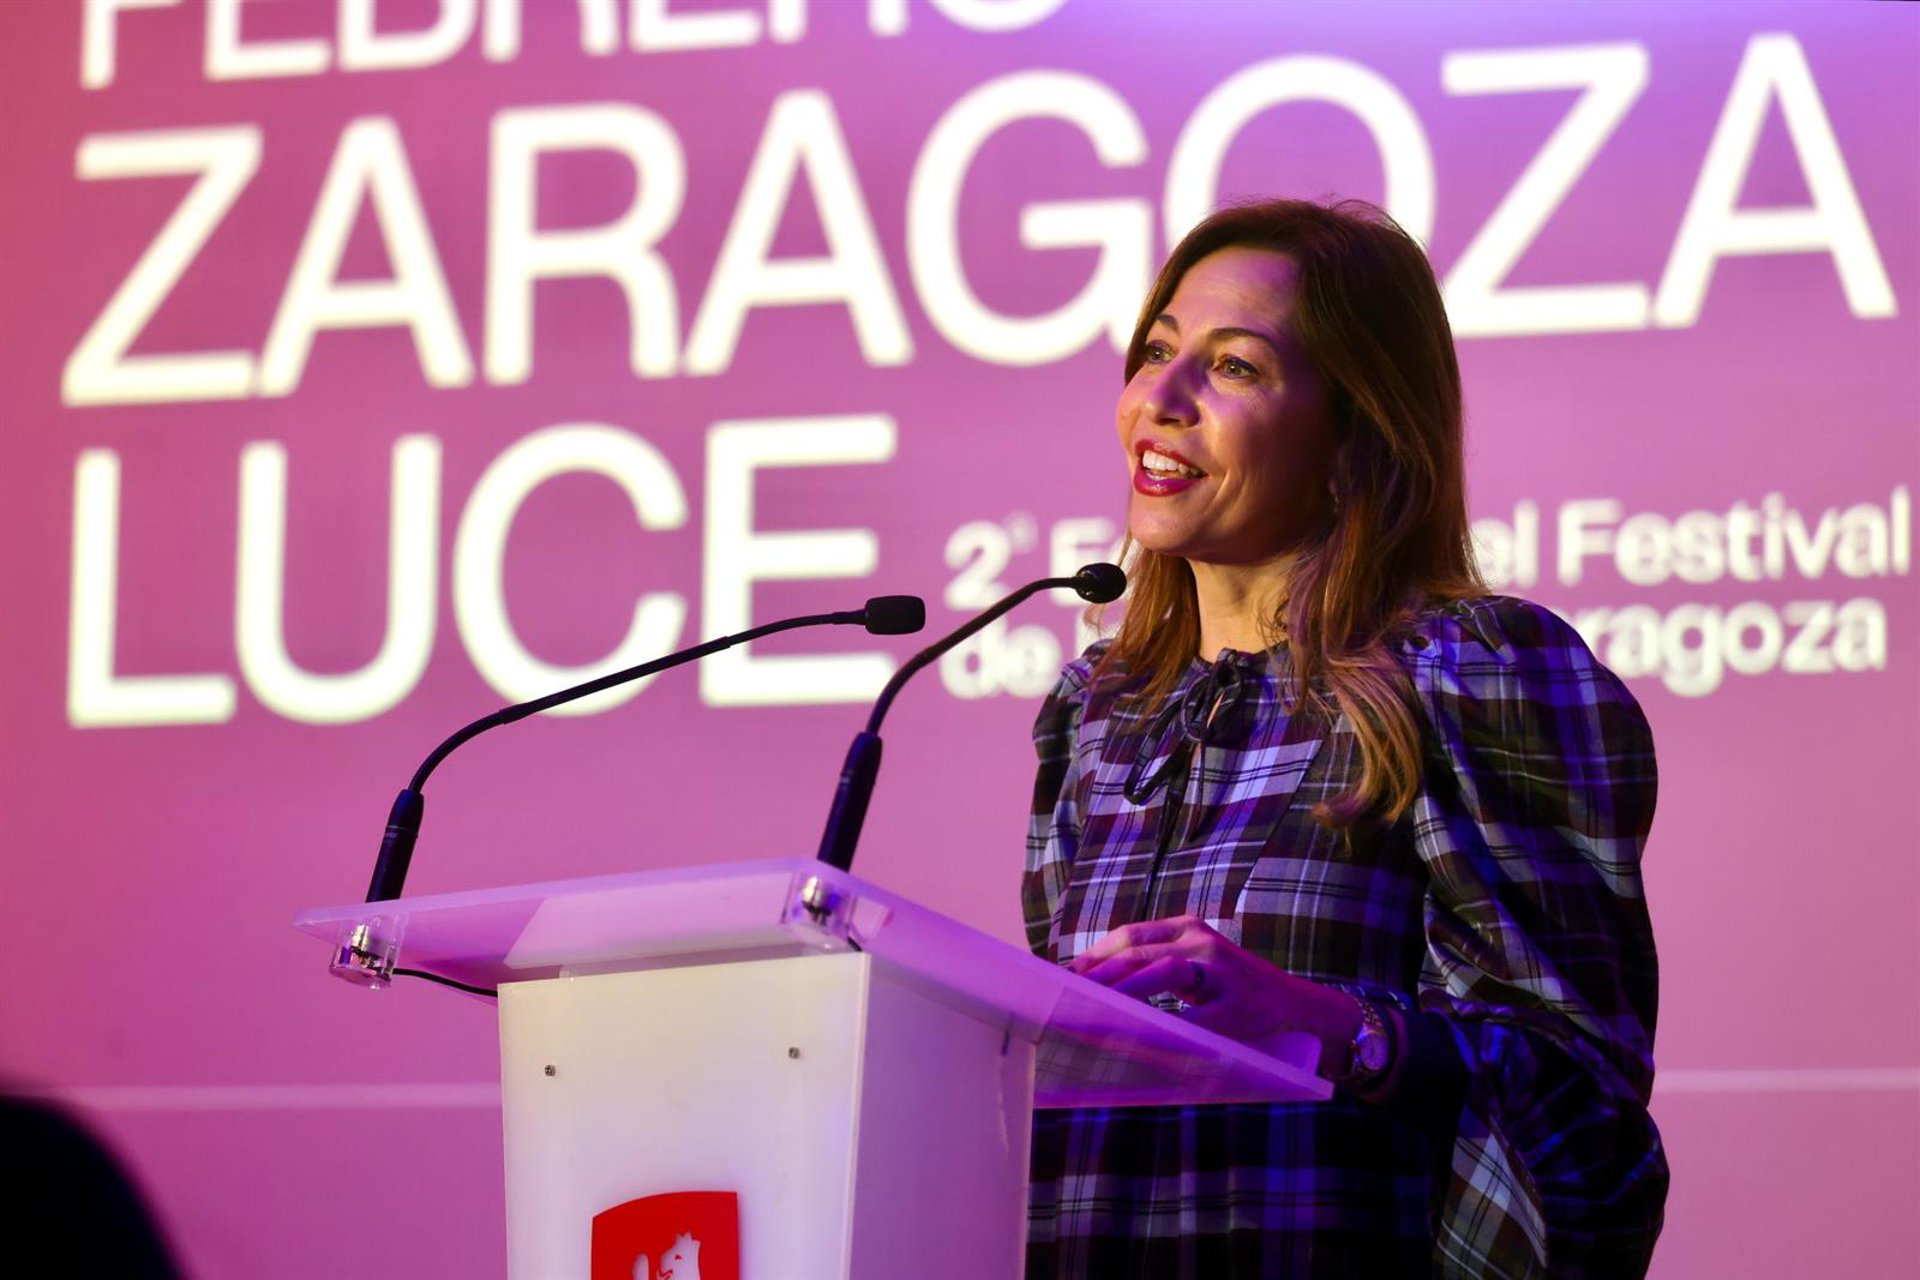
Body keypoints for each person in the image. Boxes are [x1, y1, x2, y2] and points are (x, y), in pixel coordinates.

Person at [1022, 198, 1666, 1278]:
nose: (1160, 401)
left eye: (1234, 367)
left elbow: (1587, 1124)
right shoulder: (1098, 713)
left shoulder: (1469, 673)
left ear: (1353, 433)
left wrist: (1334, 1028)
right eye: (1158, 352)